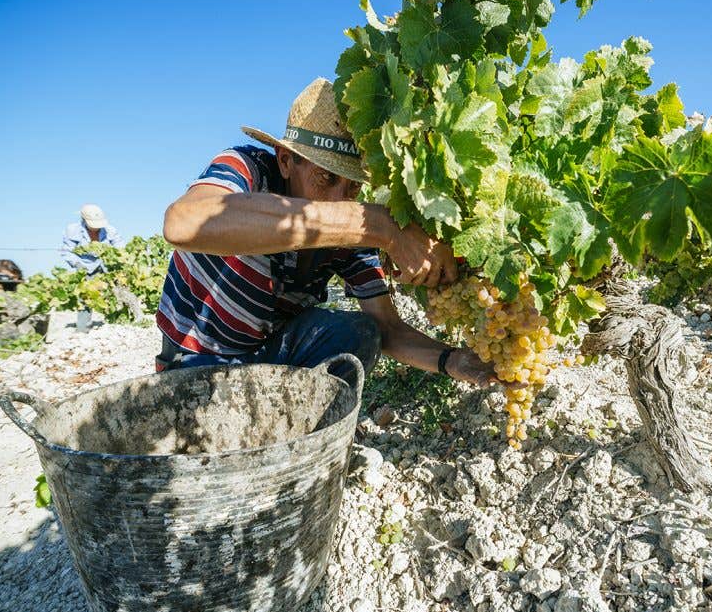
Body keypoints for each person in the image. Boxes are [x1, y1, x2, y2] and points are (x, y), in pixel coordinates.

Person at [156, 78, 499, 388]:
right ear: (286, 161)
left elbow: (387, 328)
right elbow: (183, 222)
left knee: (358, 333)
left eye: (352, 188)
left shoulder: (351, 231)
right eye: (327, 178)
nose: (340, 199)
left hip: (270, 359)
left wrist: (453, 360)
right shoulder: (248, 170)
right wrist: (380, 225)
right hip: (197, 361)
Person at [61, 204, 122, 274]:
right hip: (86, 270)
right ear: (84, 220)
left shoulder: (110, 230)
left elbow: (120, 246)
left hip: (107, 269)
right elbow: (66, 251)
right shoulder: (73, 230)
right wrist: (77, 264)